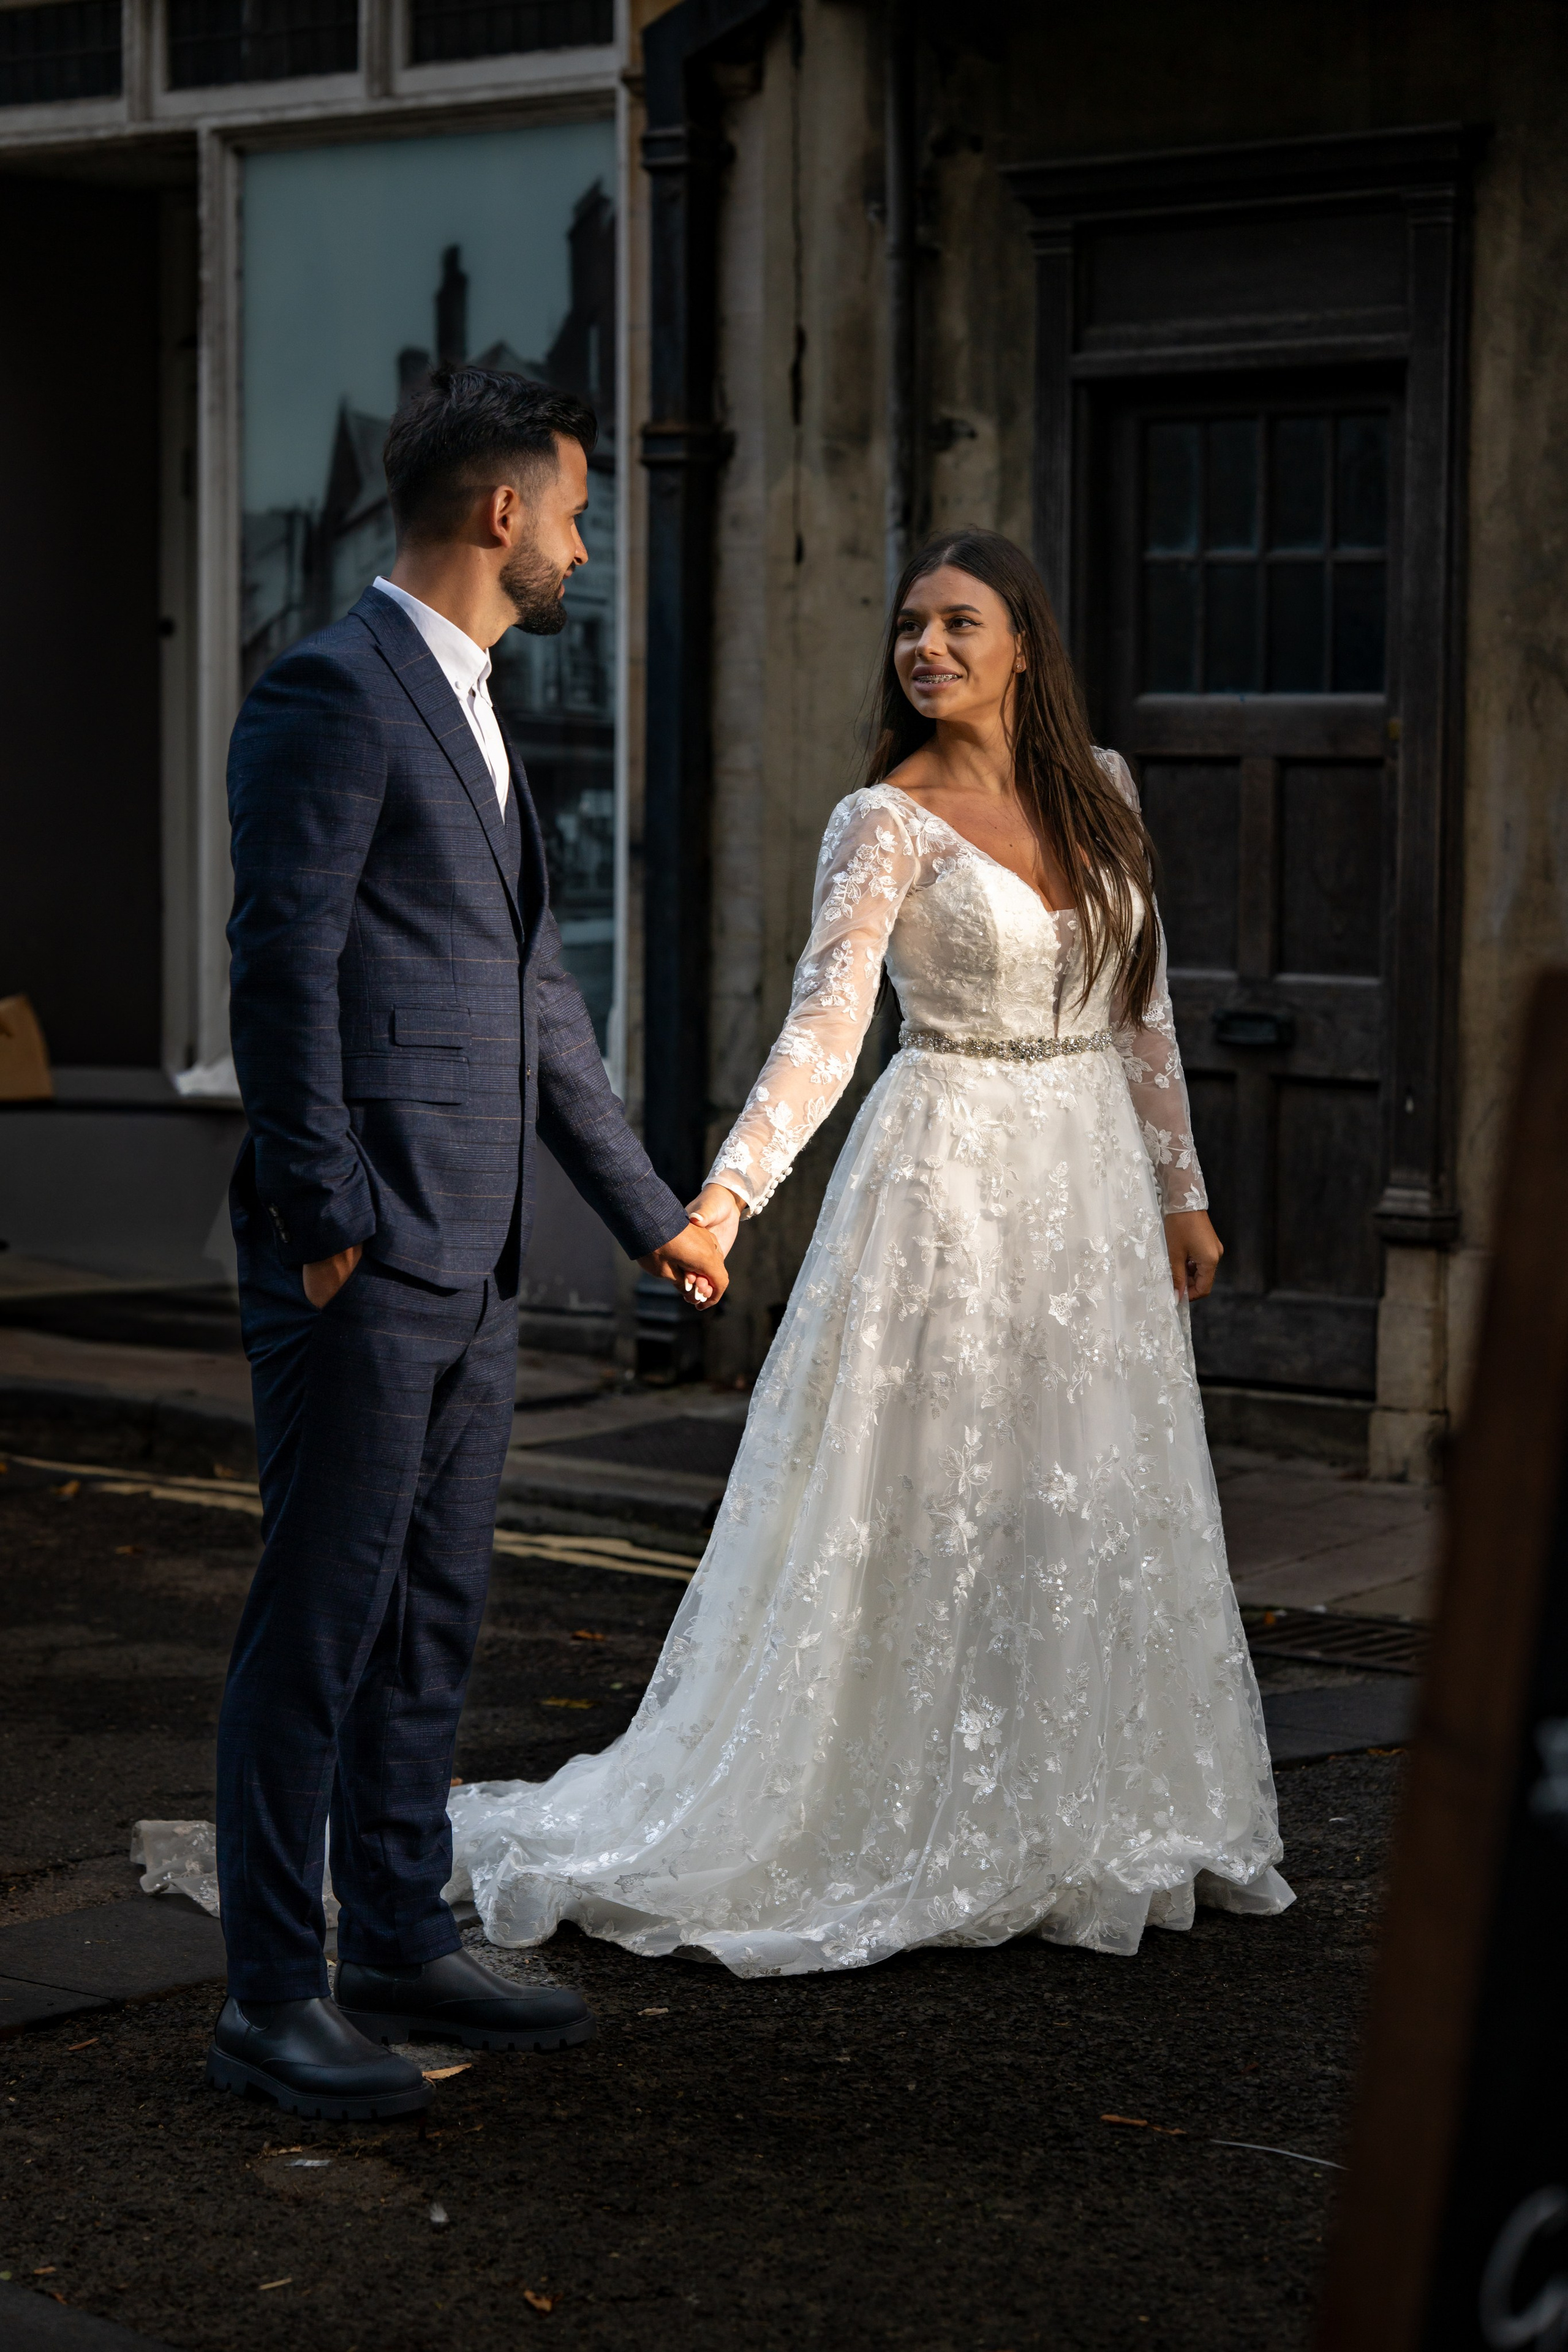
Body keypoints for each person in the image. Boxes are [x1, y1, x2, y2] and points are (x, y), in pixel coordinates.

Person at [446, 527, 1292, 1975]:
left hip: (1088, 1168)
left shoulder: (1103, 794)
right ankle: (910, 1804)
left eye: (961, 625)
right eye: (911, 628)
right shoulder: (880, 819)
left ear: (1023, 646)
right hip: (949, 1166)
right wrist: (721, 1201)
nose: (927, 650)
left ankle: (1080, 1809)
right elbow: (824, 1033)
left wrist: (1180, 1194)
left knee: (1079, 1481)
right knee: (934, 1485)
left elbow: (1141, 1006)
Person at [209, 367, 728, 2118]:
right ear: (501, 513)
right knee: (319, 1623)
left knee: (431, 1617)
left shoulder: (485, 705)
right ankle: (272, 1993)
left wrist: (650, 1217)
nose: (587, 541)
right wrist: (325, 1216)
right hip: (365, 1254)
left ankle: (403, 1933)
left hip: (479, 1254)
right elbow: (278, 967)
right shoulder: (332, 692)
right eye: (576, 508)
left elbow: (537, 1004)